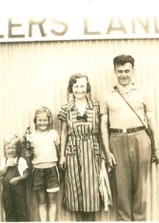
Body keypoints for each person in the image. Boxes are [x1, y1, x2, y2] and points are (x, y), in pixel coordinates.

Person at [100, 54, 159, 221]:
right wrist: (107, 151)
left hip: (140, 138)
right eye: (120, 71)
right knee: (121, 186)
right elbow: (103, 125)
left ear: (133, 71)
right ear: (115, 72)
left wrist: (156, 146)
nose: (124, 75)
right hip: (117, 139)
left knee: (141, 186)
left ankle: (140, 220)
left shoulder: (143, 92)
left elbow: (151, 120)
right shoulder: (106, 95)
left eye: (127, 71)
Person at [58, 73, 102, 221]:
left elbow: (102, 130)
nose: (79, 89)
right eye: (76, 86)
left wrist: (102, 152)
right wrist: (62, 155)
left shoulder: (95, 106)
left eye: (82, 86)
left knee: (91, 188)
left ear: (87, 87)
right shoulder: (67, 108)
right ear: (71, 88)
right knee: (74, 188)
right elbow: (63, 132)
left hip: (91, 148)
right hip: (73, 149)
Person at [29, 106, 60, 222]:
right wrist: (28, 150)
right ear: (35, 121)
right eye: (39, 120)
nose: (42, 123)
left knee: (52, 200)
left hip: (51, 169)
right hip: (37, 170)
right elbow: (29, 155)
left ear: (50, 120)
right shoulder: (31, 136)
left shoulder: (54, 134)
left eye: (45, 120)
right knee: (41, 201)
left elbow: (58, 150)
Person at [0, 134, 29, 222]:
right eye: (8, 148)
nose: (11, 150)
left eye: (13, 148)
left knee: (21, 211)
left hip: (19, 193)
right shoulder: (4, 161)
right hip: (7, 193)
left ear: (18, 149)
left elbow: (27, 174)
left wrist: (18, 179)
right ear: (5, 149)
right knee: (9, 212)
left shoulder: (21, 160)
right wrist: (7, 166)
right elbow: (0, 173)